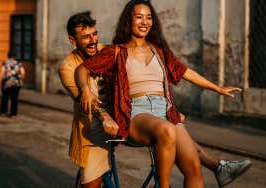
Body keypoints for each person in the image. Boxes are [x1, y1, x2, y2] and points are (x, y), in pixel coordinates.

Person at [77, 1, 251, 187]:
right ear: (128, 20)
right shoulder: (116, 51)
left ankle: (218, 170)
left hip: (166, 112)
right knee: (167, 129)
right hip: (135, 114)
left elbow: (186, 72)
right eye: (139, 17)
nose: (145, 22)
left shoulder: (159, 50)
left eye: (149, 17)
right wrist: (85, 89)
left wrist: (217, 88)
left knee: (193, 167)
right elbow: (82, 69)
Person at [58, 12, 118, 187]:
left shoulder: (106, 51)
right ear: (72, 40)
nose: (93, 41)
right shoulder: (68, 67)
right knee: (92, 184)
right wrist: (106, 117)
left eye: (94, 34)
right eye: (85, 37)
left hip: (120, 119)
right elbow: (86, 102)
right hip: (93, 127)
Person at [0, 51, 25, 118]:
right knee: (14, 99)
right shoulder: (19, 63)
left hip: (6, 83)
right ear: (15, 56)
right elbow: (23, 73)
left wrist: (1, 81)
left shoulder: (5, 62)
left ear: (8, 56)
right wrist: (20, 79)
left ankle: (3, 113)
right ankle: (13, 114)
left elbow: (2, 72)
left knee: (5, 98)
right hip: (16, 83)